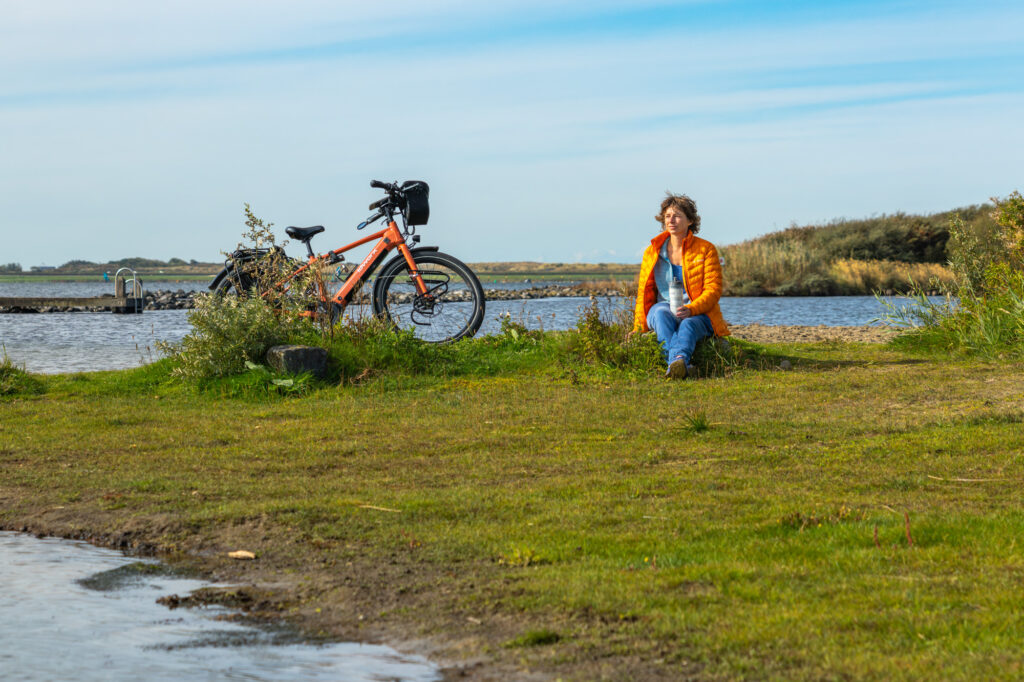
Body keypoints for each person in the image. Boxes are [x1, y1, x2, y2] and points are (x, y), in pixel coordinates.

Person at [631, 193, 729, 379]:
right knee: (660, 313)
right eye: (667, 216)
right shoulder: (652, 251)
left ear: (690, 220)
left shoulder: (706, 249)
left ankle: (676, 364)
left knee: (688, 324)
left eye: (677, 216)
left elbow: (713, 290)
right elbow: (644, 293)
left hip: (698, 312)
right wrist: (638, 327)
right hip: (663, 307)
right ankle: (680, 362)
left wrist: (692, 309)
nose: (671, 220)